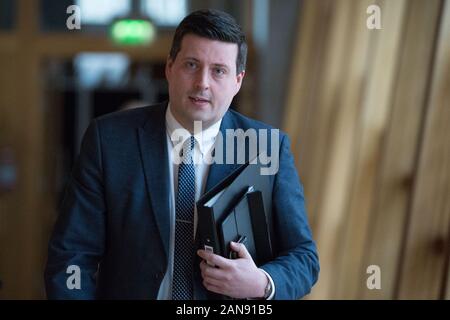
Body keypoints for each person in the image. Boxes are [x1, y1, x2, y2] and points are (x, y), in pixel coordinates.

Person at [45, 9, 319, 300]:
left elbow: (304, 258)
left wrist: (262, 282)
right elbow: (71, 256)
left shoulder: (266, 148)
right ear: (169, 67)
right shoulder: (109, 141)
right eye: (191, 64)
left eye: (218, 70)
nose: (203, 82)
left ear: (237, 80)